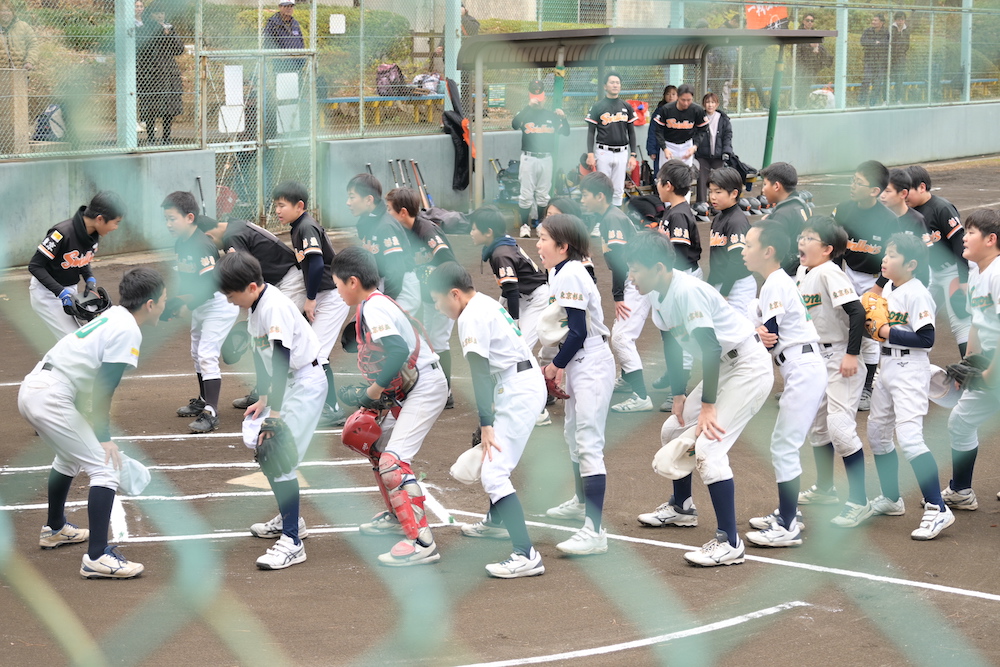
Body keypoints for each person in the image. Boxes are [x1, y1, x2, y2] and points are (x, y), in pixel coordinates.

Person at [630, 232, 773, 566]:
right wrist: (679, 393)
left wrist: (708, 407)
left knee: (709, 448)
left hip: (747, 367)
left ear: (660, 268)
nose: (631, 277)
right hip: (722, 366)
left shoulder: (686, 291)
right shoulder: (658, 294)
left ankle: (730, 543)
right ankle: (682, 508)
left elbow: (709, 347)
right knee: (672, 430)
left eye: (636, 269)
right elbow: (670, 343)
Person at [19, 267, 166, 579]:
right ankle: (97, 557)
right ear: (150, 304)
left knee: (68, 457)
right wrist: (103, 436)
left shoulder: (114, 316)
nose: (165, 306)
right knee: (105, 467)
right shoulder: (128, 330)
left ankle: (55, 528)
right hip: (52, 396)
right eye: (163, 301)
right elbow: (103, 387)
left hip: (37, 388)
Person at [429, 262, 547, 578]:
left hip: (518, 389)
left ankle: (526, 554)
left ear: (454, 294)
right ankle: (496, 523)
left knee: (494, 472)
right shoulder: (482, 302)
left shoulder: (470, 317)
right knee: (493, 456)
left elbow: (480, 374)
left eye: (439, 300)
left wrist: (486, 423)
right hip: (516, 382)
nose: (439, 308)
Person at [332, 246, 448, 566]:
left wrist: (372, 392)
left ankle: (421, 542)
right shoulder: (373, 303)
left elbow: (396, 351)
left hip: (425, 386)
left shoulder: (374, 307)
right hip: (412, 385)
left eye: (338, 284)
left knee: (393, 462)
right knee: (376, 445)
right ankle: (400, 516)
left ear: (353, 282)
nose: (337, 291)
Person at [217, 252, 327, 569]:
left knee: (278, 454)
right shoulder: (255, 306)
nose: (229, 300)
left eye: (231, 294)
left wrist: (275, 416)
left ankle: (292, 542)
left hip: (304, 383)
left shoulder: (274, 305)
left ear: (251, 286)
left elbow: (280, 357)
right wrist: (264, 398)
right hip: (289, 385)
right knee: (270, 453)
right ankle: (291, 520)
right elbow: (260, 354)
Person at [741, 222, 827, 547]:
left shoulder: (775, 282)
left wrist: (751, 333)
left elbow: (770, 335)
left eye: (749, 245)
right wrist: (755, 330)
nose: (743, 251)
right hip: (801, 366)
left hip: (803, 367)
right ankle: (788, 513)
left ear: (768, 251)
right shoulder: (775, 282)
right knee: (784, 443)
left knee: (784, 445)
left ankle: (788, 524)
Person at [866, 232, 955, 540]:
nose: (885, 259)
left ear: (911, 264)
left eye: (892, 255)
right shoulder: (890, 287)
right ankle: (892, 498)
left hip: (910, 369)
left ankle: (937, 508)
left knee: (910, 439)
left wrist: (886, 332)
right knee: (877, 434)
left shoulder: (917, 293)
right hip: (887, 366)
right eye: (886, 253)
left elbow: (927, 338)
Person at [538, 214, 615, 556]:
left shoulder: (571, 273)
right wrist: (560, 365)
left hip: (591, 362)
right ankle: (582, 502)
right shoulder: (559, 271)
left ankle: (594, 531)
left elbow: (579, 331)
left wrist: (556, 366)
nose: (538, 245)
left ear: (563, 246)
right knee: (573, 435)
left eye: (543, 239)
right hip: (580, 361)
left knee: (588, 443)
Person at [794, 216, 872, 528]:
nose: (801, 242)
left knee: (840, 428)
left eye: (809, 238)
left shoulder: (829, 272)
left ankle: (859, 501)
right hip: (817, 356)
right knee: (818, 427)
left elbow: (857, 312)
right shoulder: (804, 272)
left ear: (827, 249)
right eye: (801, 236)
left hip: (840, 356)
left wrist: (852, 354)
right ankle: (825, 489)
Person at [201, 217, 307, 412]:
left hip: (288, 280)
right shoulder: (235, 225)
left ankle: (283, 395)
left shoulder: (232, 237)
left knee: (276, 339)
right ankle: (264, 392)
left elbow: (241, 274)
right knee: (262, 337)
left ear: (208, 236)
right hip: (278, 281)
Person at [273, 181, 350, 428]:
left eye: (282, 205)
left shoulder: (306, 226)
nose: (277, 211)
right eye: (276, 206)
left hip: (331, 296)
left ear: (299, 206)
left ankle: (332, 408)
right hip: (325, 293)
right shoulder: (299, 226)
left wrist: (310, 298)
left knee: (317, 354)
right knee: (310, 351)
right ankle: (317, 402)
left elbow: (316, 264)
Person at [163, 191, 240, 433]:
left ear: (189, 217)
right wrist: (175, 302)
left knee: (207, 354)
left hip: (218, 303)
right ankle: (204, 400)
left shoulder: (202, 245)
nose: (168, 224)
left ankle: (211, 412)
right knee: (196, 352)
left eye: (172, 218)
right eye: (166, 219)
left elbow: (209, 286)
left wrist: (185, 305)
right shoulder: (181, 243)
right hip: (200, 303)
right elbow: (187, 282)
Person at [940, 208, 1000, 514]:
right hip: (989, 362)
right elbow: (977, 323)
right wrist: (968, 365)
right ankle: (961, 490)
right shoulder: (977, 272)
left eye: (971, 232)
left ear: (991, 239)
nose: (963, 237)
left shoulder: (998, 274)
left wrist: (990, 373)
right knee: (961, 421)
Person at [579, 172, 651, 413]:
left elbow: (620, 261)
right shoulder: (609, 217)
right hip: (636, 278)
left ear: (600, 196)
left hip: (636, 281)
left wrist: (618, 296)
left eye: (585, 195)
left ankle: (641, 395)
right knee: (621, 334)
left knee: (621, 338)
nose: (582, 200)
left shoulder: (612, 219)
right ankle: (629, 378)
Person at [832, 160, 901, 411]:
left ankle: (867, 387)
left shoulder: (888, 220)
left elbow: (892, 258)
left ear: (874, 190)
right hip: (847, 273)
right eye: (853, 180)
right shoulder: (843, 210)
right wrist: (836, 275)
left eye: (858, 183)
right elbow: (835, 247)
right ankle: (839, 378)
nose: (853, 185)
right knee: (838, 324)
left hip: (876, 278)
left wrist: (879, 287)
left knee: (871, 330)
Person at [386, 186, 458, 409]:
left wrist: (438, 281)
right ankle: (437, 387)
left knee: (438, 340)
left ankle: (446, 391)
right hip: (430, 296)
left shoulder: (426, 231)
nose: (387, 214)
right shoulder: (403, 233)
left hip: (446, 293)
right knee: (429, 340)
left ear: (403, 212)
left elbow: (449, 260)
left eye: (389, 210)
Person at [29, 192, 125, 341]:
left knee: (95, 333)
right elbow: (35, 266)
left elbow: (82, 260)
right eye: (116, 222)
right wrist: (61, 293)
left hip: (71, 292)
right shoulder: (61, 233)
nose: (116, 227)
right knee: (74, 341)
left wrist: (89, 278)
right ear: (100, 219)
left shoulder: (92, 235)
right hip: (47, 294)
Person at [905, 165, 971, 358]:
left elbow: (959, 244)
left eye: (907, 191)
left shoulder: (942, 208)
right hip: (932, 273)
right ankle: (916, 363)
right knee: (917, 317)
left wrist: (963, 279)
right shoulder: (908, 213)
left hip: (952, 270)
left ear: (922, 187)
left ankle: (971, 368)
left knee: (960, 320)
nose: (904, 196)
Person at [345, 173, 421, 312]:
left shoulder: (385, 227)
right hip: (385, 282)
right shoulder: (367, 221)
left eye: (352, 197)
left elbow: (396, 271)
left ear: (368, 200)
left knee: (388, 323)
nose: (348, 203)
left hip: (400, 286)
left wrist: (385, 302)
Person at [511, 79, 570, 238]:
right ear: (530, 96)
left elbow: (566, 132)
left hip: (546, 158)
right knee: (526, 194)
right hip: (528, 157)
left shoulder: (551, 115)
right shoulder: (525, 113)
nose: (537, 99)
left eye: (539, 96)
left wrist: (563, 118)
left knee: (543, 195)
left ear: (544, 97)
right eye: (534, 96)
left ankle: (541, 225)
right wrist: (527, 107)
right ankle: (525, 225)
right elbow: (514, 124)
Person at [584, 71, 638, 208]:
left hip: (622, 152)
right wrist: (590, 153)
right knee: (603, 187)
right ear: (605, 86)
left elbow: (631, 132)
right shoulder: (598, 106)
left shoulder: (626, 106)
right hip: (604, 151)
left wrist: (633, 155)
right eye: (612, 82)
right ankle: (601, 218)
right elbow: (591, 132)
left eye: (617, 83)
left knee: (618, 189)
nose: (615, 85)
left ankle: (615, 217)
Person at [706, 167, 755, 318]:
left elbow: (736, 260)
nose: (712, 197)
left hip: (737, 285)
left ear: (734, 193)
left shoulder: (736, 221)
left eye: (718, 192)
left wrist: (724, 292)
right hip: (723, 283)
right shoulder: (719, 218)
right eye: (711, 191)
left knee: (740, 328)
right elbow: (717, 260)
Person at [136, 1, 184, 145]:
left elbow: (179, 49)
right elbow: (144, 48)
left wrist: (169, 34)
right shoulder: (144, 28)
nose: (160, 16)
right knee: (150, 107)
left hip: (169, 72)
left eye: (162, 13)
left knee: (169, 107)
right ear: (150, 15)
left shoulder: (169, 28)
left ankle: (166, 137)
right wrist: (160, 33)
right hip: (150, 73)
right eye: (156, 13)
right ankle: (151, 138)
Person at [759, 162, 812, 275]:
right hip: (801, 268)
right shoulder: (801, 205)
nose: (763, 190)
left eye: (765, 184)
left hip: (787, 273)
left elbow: (774, 248)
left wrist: (763, 228)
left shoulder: (782, 214)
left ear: (776, 186)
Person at [651, 83, 708, 171]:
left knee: (685, 173)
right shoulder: (667, 109)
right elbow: (658, 130)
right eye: (683, 100)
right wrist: (664, 148)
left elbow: (703, 129)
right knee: (666, 173)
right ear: (678, 97)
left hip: (687, 145)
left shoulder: (697, 110)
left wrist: (695, 146)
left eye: (689, 100)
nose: (686, 103)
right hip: (669, 144)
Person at [694, 92, 732, 205]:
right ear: (703, 104)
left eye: (712, 102)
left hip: (718, 155)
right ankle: (701, 204)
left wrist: (726, 151)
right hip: (702, 155)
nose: (710, 105)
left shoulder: (723, 119)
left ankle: (717, 204)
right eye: (707, 102)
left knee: (718, 180)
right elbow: (695, 135)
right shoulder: (699, 118)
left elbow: (728, 136)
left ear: (717, 104)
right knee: (701, 178)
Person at [794, 14, 832, 109]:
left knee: (807, 85)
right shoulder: (799, 33)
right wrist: (810, 46)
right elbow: (797, 48)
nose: (810, 22)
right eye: (807, 20)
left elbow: (820, 46)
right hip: (801, 64)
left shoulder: (814, 33)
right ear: (803, 21)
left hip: (812, 65)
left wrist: (818, 49)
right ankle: (797, 105)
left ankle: (803, 105)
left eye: (811, 21)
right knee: (800, 85)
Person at [880, 168, 930, 239]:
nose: (882, 195)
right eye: (881, 190)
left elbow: (925, 246)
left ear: (903, 193)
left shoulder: (916, 221)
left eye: (887, 191)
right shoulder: (878, 217)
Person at [646, 85, 677, 175]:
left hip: (676, 148)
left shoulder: (682, 111)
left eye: (673, 94)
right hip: (660, 148)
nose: (671, 96)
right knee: (660, 174)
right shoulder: (659, 111)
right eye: (668, 94)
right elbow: (652, 131)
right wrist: (651, 150)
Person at [859, 14, 889, 106]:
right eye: (873, 20)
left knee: (877, 83)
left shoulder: (886, 32)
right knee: (866, 80)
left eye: (876, 20)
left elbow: (886, 44)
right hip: (869, 60)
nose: (873, 22)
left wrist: (876, 44)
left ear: (882, 22)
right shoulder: (867, 31)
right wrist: (875, 43)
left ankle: (873, 103)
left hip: (881, 62)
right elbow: (863, 41)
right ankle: (861, 102)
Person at [0, 1, 38, 71]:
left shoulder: (24, 26)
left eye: (8, 10)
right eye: (3, 10)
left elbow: (33, 45)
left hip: (20, 69)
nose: (6, 13)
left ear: (13, 12)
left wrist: (29, 62)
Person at [889, 12, 910, 104]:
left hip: (901, 58)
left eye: (902, 19)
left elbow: (907, 45)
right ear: (895, 20)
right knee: (888, 78)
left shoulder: (906, 30)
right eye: (898, 19)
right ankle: (886, 99)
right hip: (890, 58)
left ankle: (898, 99)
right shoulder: (891, 29)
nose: (900, 21)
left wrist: (901, 53)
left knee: (899, 78)